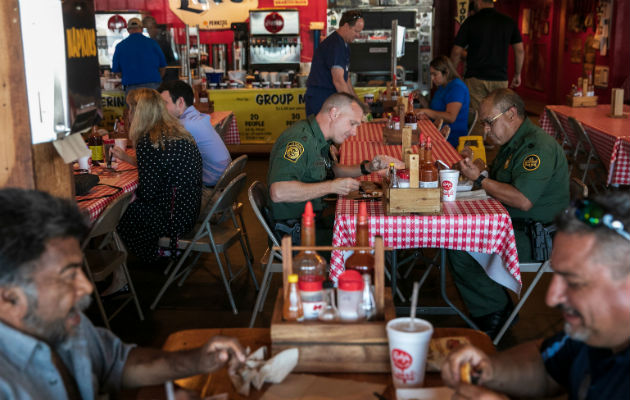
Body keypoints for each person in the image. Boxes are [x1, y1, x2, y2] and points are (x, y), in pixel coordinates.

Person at [0, 188, 246, 399]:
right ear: (8, 297)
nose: (86, 286)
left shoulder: (63, 322)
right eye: (68, 275)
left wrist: (197, 361)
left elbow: (115, 362)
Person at [441, 193, 630, 400]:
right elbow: (546, 365)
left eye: (574, 282)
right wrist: (488, 369)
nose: (552, 298)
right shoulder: (592, 332)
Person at [449, 88, 569, 338]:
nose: (485, 131)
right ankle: (493, 306)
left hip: (539, 237)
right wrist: (480, 168)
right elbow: (503, 179)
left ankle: (494, 314)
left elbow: (522, 199)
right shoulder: (515, 142)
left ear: (511, 114)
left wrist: (481, 179)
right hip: (516, 224)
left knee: (459, 245)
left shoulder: (537, 148)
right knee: (456, 235)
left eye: (488, 123)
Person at [268, 92, 401, 244]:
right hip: (294, 233)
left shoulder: (318, 137)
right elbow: (278, 192)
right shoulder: (300, 140)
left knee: (373, 227)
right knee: (372, 239)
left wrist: (368, 167)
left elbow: (332, 170)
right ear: (334, 113)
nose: (354, 132)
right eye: (352, 123)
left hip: (312, 221)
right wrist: (332, 186)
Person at [117, 88, 202, 266]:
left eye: (130, 109)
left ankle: (150, 256)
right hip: (190, 212)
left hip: (172, 221)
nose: (128, 114)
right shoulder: (174, 132)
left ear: (139, 113)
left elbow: (147, 193)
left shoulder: (148, 141)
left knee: (116, 213)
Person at [450, 0, 524, 135]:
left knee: (478, 117)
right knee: (500, 115)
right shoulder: (508, 21)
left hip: (475, 78)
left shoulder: (471, 22)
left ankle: (479, 149)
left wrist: (453, 74)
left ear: (478, 2)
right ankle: (498, 147)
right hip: (499, 78)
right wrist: (518, 74)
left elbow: (456, 52)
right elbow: (519, 50)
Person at [157, 80, 231, 208]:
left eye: (165, 103)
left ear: (180, 102)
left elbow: (161, 160)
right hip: (226, 187)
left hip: (210, 193)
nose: (161, 109)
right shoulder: (198, 117)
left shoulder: (185, 125)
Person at [304, 10, 364, 116]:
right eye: (356, 31)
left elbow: (346, 79)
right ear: (346, 26)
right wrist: (352, 107)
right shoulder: (335, 45)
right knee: (321, 132)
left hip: (329, 99)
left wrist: (357, 103)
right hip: (320, 100)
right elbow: (338, 80)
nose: (358, 35)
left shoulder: (345, 46)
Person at [415, 56, 470, 148]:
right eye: (431, 75)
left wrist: (425, 111)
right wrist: (421, 98)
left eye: (435, 74)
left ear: (446, 73)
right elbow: (433, 109)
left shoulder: (457, 88)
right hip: (436, 131)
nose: (432, 78)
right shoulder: (442, 86)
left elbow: (451, 117)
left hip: (451, 137)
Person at [112, 18, 167, 94]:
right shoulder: (153, 43)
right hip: (153, 88)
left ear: (128, 30)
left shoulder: (120, 46)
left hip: (132, 90)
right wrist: (155, 79)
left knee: (134, 106)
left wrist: (129, 76)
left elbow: (117, 71)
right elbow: (163, 66)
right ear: (141, 29)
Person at [142, 15, 179, 82]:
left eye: (150, 28)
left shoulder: (162, 41)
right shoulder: (149, 41)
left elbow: (168, 62)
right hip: (159, 77)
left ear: (154, 27)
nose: (148, 31)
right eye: (147, 29)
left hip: (165, 78)